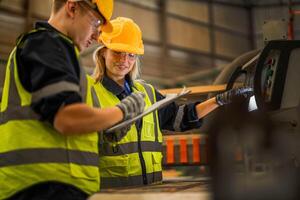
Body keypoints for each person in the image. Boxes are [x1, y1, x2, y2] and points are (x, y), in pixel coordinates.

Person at [0, 1, 146, 200]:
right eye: (96, 23)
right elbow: (67, 118)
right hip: (43, 186)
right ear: (72, 7)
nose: (97, 37)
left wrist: (103, 129)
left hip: (46, 184)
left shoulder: (55, 50)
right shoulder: (48, 45)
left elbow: (53, 123)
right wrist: (122, 112)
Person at [91, 17, 254, 189]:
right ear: (103, 52)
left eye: (131, 55)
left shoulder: (147, 93)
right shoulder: (90, 92)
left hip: (150, 191)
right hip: (110, 194)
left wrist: (220, 100)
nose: (124, 60)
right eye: (117, 52)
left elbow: (182, 117)